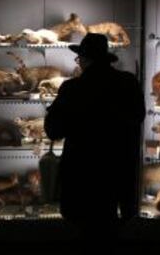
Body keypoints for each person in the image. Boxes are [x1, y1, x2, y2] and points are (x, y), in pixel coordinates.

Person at [44, 33, 145, 243]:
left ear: (84, 59)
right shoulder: (128, 83)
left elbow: (53, 131)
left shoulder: (72, 88)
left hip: (82, 175)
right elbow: (138, 118)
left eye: (79, 58)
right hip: (118, 172)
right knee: (112, 233)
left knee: (84, 233)